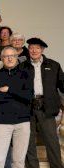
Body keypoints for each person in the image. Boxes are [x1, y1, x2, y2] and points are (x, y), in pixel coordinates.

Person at [21, 38, 64, 168]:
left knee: (52, 140)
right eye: (31, 48)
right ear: (28, 50)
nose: (34, 50)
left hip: (47, 107)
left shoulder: (53, 65)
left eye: (37, 48)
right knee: (28, 141)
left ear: (42, 50)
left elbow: (62, 85)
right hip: (27, 107)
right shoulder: (22, 66)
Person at [0, 46, 33, 168]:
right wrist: (18, 92)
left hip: (23, 122)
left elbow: (28, 96)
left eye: (12, 56)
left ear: (17, 57)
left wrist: (9, 89)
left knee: (18, 161)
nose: (9, 59)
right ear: (2, 59)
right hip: (2, 123)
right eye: (6, 56)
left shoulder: (26, 74)